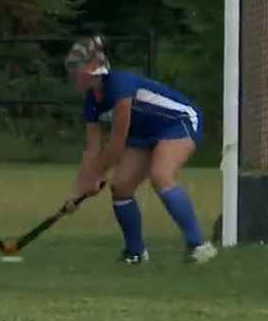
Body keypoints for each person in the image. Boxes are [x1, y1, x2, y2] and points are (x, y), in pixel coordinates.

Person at [65, 35, 217, 264]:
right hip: (143, 134)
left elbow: (117, 142)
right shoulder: (91, 101)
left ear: (92, 69)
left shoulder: (119, 86)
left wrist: (96, 175)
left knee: (161, 175)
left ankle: (199, 245)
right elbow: (92, 149)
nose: (72, 75)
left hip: (177, 121)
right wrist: (78, 189)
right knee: (121, 187)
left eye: (75, 69)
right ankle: (135, 252)